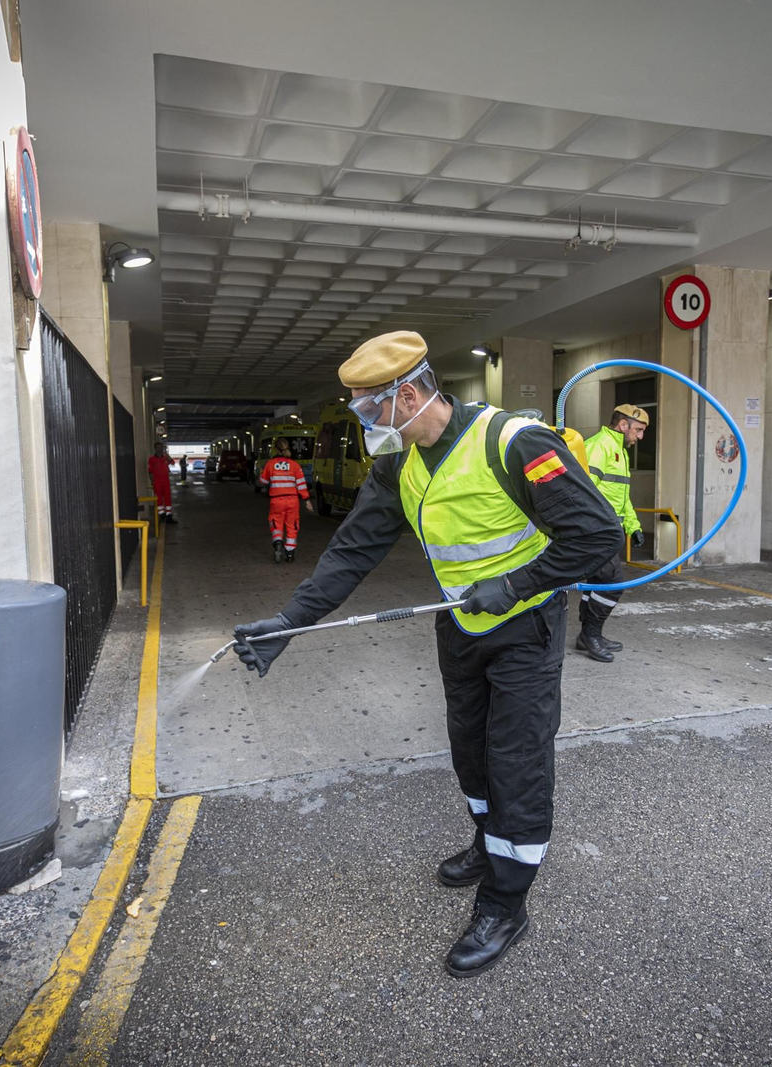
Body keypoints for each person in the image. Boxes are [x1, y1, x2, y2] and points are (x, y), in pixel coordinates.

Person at [231, 331, 621, 978]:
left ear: (408, 393)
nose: (364, 422)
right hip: (461, 628)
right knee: (471, 752)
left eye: (367, 409)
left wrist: (519, 583)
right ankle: (484, 842)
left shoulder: (513, 443)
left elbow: (599, 536)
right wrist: (287, 623)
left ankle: (505, 904)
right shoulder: (398, 466)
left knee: (517, 764)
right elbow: (350, 552)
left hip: (527, 630)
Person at [575, 403, 649, 662]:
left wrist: (634, 526)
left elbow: (622, 497)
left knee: (596, 583)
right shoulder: (599, 446)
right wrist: (592, 527)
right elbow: (585, 491)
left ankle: (587, 635)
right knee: (613, 582)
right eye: (638, 430)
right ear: (622, 424)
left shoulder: (619, 450)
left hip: (609, 530)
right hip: (597, 531)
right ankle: (590, 634)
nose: (639, 437)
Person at [259, 437, 311, 562]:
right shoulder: (295, 465)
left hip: (276, 500)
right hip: (292, 501)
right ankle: (290, 553)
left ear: (275, 449)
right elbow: (301, 485)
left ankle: (277, 542)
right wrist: (307, 500)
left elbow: (263, 481)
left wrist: (262, 474)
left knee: (276, 523)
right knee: (292, 525)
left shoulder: (270, 464)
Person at [148, 442, 175, 525]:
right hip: (157, 481)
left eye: (161, 447)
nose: (160, 449)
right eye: (158, 448)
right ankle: (162, 515)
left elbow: (173, 463)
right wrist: (152, 481)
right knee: (159, 498)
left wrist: (168, 457)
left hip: (166, 481)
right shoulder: (152, 459)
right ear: (155, 449)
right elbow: (150, 471)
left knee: (168, 497)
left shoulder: (165, 457)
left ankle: (169, 516)